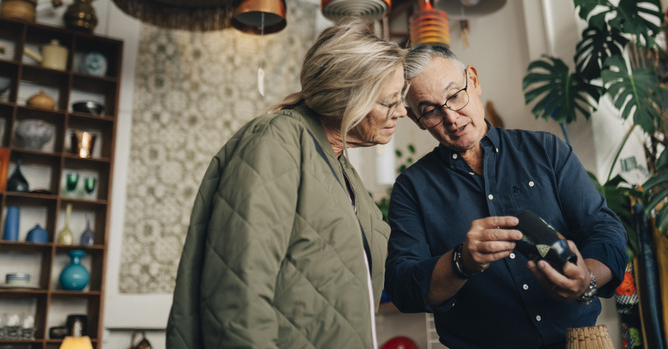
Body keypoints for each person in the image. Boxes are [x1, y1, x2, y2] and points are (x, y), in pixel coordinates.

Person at [166, 20, 408, 348]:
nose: (402, 111)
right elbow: (238, 291)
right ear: (346, 98)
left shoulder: (341, 169)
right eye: (389, 102)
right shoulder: (275, 141)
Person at [384, 45, 628, 349]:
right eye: (431, 110)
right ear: (417, 120)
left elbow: (605, 230)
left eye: (455, 95)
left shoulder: (547, 152)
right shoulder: (412, 189)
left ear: (472, 80)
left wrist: (586, 279)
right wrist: (461, 262)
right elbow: (402, 286)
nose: (451, 118)